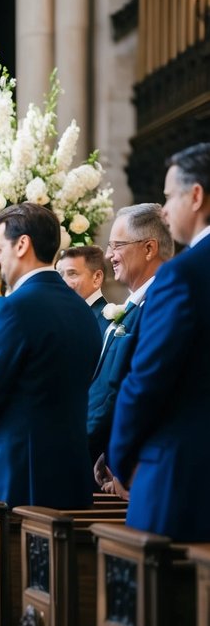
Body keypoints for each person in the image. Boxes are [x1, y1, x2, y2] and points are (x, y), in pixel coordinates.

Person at [0, 203, 100, 510]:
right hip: (72, 470)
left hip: (16, 472)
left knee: (11, 559)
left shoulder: (10, 308)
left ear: (23, 244)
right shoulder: (83, 310)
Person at [108, 143, 210, 541]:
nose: (164, 210)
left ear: (196, 196)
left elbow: (147, 379)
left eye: (169, 196)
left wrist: (122, 457)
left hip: (182, 476)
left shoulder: (182, 275)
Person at [88, 205, 172, 478]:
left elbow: (126, 390)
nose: (109, 255)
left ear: (149, 248)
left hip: (139, 465)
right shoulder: (135, 306)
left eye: (117, 245)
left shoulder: (160, 305)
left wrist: (80, 443)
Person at [56, 244, 111, 335]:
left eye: (72, 274)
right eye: (60, 275)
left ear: (97, 278)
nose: (63, 282)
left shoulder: (108, 324)